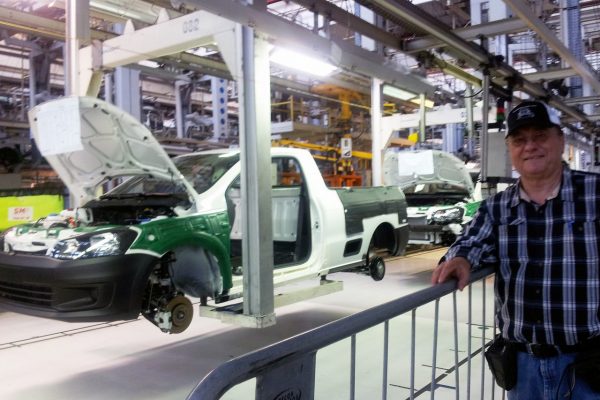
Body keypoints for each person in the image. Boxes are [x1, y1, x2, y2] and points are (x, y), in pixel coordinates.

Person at [431, 100, 600, 399]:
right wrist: (460, 258)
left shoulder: (594, 193)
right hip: (524, 368)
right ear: (510, 149)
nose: (530, 146)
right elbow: (470, 241)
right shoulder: (497, 208)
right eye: (520, 140)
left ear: (560, 141)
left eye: (540, 136)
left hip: (588, 364)